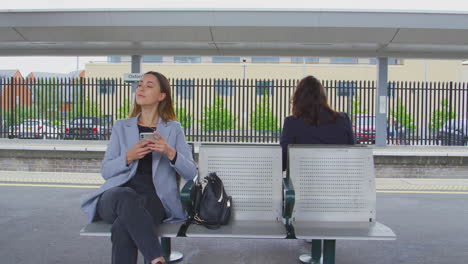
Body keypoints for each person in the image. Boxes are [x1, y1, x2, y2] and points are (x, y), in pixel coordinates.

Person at [81, 71, 197, 264]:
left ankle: (154, 258)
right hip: (116, 196)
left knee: (122, 228)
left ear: (161, 96)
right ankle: (156, 257)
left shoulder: (173, 129)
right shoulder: (121, 126)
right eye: (140, 84)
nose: (141, 88)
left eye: (149, 85)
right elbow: (106, 171)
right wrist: (128, 157)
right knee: (126, 195)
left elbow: (191, 172)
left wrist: (170, 152)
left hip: (153, 199)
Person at [280, 75, 355, 171]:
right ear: (323, 97)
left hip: (303, 183)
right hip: (337, 182)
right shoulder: (343, 119)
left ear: (297, 99)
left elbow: (283, 162)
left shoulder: (291, 123)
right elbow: (352, 154)